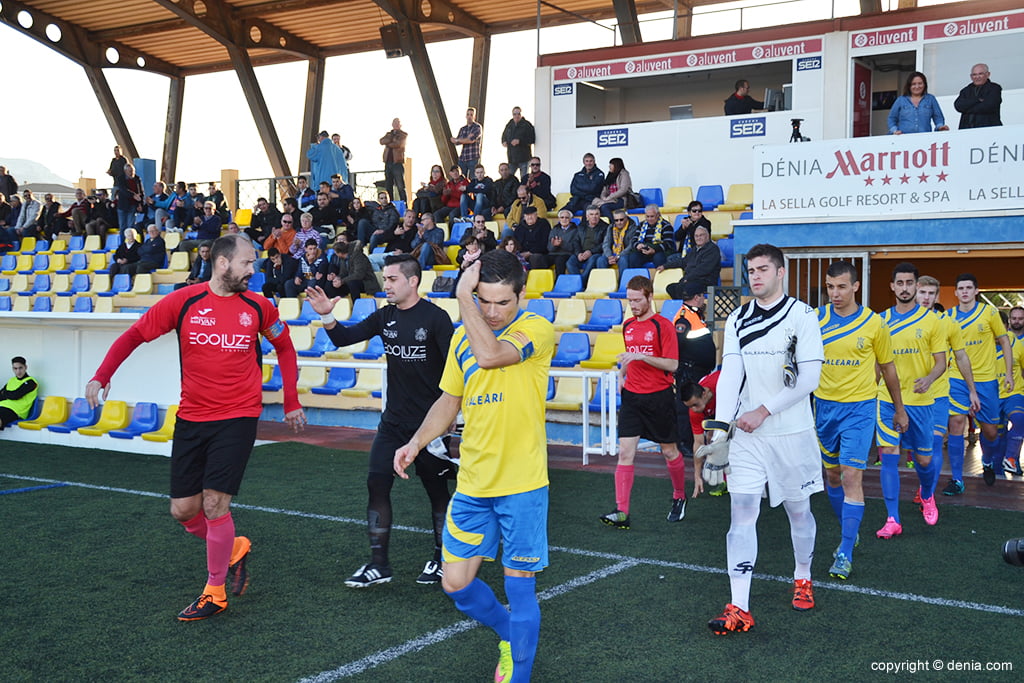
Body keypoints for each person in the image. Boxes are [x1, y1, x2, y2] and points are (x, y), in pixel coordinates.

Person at [86, 233, 306, 621]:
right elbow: (135, 334)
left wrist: (291, 401)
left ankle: (215, 591)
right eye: (246, 263)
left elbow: (285, 348)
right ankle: (233, 546)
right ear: (223, 263)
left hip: (237, 417)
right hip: (192, 417)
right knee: (184, 511)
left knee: (214, 503)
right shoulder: (184, 302)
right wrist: (101, 377)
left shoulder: (258, 307)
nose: (252, 271)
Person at [394, 249, 554, 682]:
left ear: (522, 295)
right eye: (484, 300)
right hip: (473, 484)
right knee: (456, 585)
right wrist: (416, 442)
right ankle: (510, 637)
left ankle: (518, 673)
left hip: (521, 484)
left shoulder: (536, 329)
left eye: (503, 301)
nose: (493, 310)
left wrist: (463, 297)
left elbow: (492, 356)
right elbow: (449, 399)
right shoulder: (464, 339)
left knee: (519, 589)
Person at [308, 253, 455, 586]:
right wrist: (328, 318)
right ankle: (379, 565)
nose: (385, 285)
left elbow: (453, 371)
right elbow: (345, 338)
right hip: (393, 424)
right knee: (376, 483)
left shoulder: (436, 318)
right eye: (385, 279)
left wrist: (451, 417)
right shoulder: (384, 316)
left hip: (429, 425)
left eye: (391, 279)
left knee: (436, 492)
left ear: (412, 281)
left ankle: (443, 558)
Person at [705, 243, 823, 634]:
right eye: (750, 270)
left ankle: (803, 576)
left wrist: (763, 410)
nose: (754, 276)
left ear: (780, 272)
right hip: (748, 438)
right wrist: (721, 431)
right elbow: (730, 376)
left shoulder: (803, 316)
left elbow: (809, 380)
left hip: (791, 433)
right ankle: (739, 607)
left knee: (799, 511)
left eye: (762, 270)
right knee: (741, 513)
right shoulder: (738, 317)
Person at [815, 261, 906, 581]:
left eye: (841, 286)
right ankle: (848, 531)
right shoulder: (816, 319)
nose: (835, 293)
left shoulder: (874, 324)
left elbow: (889, 368)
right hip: (824, 408)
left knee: (852, 475)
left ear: (855, 287)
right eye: (830, 287)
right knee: (833, 475)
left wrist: (899, 408)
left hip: (860, 409)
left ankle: (845, 549)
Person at [600, 275, 688, 529]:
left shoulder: (663, 326)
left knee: (669, 451)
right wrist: (621, 374)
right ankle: (622, 512)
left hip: (659, 397)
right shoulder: (628, 326)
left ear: (650, 297)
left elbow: (672, 364)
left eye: (638, 300)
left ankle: (679, 496)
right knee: (626, 453)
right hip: (632, 397)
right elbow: (629, 358)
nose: (633, 305)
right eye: (630, 301)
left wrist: (641, 356)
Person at [874, 263, 946, 542]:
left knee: (924, 460)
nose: (905, 288)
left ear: (917, 286)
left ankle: (927, 495)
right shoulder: (880, 322)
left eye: (909, 283)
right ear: (892, 286)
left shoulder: (933, 322)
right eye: (900, 283)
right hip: (889, 399)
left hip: (921, 400)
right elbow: (878, 363)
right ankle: (892, 518)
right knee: (889, 455)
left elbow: (941, 362)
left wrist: (929, 379)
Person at [943, 273, 1013, 492]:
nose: (964, 292)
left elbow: (1004, 341)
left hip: (986, 380)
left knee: (991, 431)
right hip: (957, 378)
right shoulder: (948, 316)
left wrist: (1009, 373)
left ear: (976, 291)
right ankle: (957, 479)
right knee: (956, 423)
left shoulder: (990, 313)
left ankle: (987, 460)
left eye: (968, 288)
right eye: (960, 288)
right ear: (955, 292)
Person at [915, 275, 979, 497]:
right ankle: (924, 483)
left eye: (931, 293)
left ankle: (933, 490)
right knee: (917, 445)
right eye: (922, 292)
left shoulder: (948, 323)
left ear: (937, 296)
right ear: (915, 291)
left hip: (941, 390)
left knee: (939, 437)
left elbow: (961, 357)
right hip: (911, 393)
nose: (926, 297)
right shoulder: (900, 320)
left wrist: (972, 390)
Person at [672, 281, 717, 458]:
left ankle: (689, 442)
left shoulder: (694, 314)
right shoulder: (684, 317)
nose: (704, 299)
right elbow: (678, 343)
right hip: (689, 371)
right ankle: (684, 443)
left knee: (693, 406)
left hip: (697, 371)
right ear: (696, 297)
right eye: (702, 296)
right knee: (685, 408)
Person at [999, 307, 1024, 475]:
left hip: (1016, 391)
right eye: (1014, 318)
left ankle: (1012, 459)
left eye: (1020, 318)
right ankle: (993, 463)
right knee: (995, 433)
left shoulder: (1019, 344)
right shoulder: (985, 344)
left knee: (1019, 421)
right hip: (992, 394)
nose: (1017, 321)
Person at [668, 225, 722, 295]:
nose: (698, 238)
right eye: (696, 236)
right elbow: (683, 261)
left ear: (707, 236)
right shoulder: (694, 249)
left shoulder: (713, 249)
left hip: (705, 282)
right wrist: (665, 266)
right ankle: (684, 304)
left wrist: (687, 278)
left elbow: (703, 269)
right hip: (691, 280)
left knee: (684, 288)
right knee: (671, 288)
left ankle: (690, 304)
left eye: (701, 235)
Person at [566, 206, 608, 285]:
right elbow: (576, 241)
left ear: (600, 215)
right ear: (587, 216)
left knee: (592, 260)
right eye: (591, 214)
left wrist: (590, 252)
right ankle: (579, 282)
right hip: (581, 252)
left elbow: (605, 243)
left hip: (596, 253)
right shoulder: (581, 227)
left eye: (596, 214)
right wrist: (578, 253)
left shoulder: (605, 227)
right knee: (570, 262)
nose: (594, 217)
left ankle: (580, 283)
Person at [625, 204, 674, 269]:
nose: (649, 219)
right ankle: (637, 278)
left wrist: (653, 250)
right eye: (647, 216)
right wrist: (638, 245)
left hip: (659, 251)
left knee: (659, 258)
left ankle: (660, 278)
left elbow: (668, 243)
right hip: (643, 251)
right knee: (633, 257)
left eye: (652, 216)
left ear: (658, 215)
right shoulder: (641, 224)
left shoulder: (666, 225)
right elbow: (634, 240)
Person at [954, 63, 1002, 129]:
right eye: (974, 74)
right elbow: (958, 106)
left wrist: (966, 109)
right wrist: (977, 100)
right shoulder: (965, 90)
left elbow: (989, 105)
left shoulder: (994, 88)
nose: (977, 77)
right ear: (971, 76)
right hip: (966, 130)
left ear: (988, 74)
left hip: (989, 129)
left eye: (980, 74)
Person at [0, 356, 38, 430]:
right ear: (12, 369)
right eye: (15, 368)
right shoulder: (11, 380)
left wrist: (5, 393)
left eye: (20, 368)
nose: (18, 371)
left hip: (16, 411)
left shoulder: (31, 382)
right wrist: (7, 394)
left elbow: (15, 395)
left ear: (25, 367)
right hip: (3, 406)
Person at [501, 106, 536, 180]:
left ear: (521, 114)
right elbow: (504, 136)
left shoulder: (527, 125)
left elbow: (532, 139)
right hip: (512, 158)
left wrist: (520, 141)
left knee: (524, 179)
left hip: (524, 158)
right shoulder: (509, 125)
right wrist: (504, 141)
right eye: (514, 114)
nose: (516, 116)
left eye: (518, 114)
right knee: (508, 179)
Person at [379, 118, 408, 202]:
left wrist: (388, 143)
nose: (395, 124)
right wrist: (391, 140)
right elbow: (381, 141)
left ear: (400, 125)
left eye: (397, 123)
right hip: (388, 162)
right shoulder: (389, 134)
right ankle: (390, 203)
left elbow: (398, 144)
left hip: (397, 163)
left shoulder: (403, 134)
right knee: (388, 185)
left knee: (400, 186)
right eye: (394, 123)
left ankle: (404, 204)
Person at [513, 206, 550, 271]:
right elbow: (516, 243)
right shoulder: (519, 227)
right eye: (527, 215)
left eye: (532, 215)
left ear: (536, 215)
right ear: (524, 217)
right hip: (522, 253)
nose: (529, 217)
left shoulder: (544, 224)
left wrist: (529, 253)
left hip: (540, 253)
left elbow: (545, 243)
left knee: (535, 258)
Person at [451, 107, 483, 178]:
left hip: (473, 157)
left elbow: (471, 140)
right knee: (461, 179)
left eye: (471, 115)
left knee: (473, 179)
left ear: (474, 116)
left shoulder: (477, 127)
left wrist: (460, 140)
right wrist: (461, 140)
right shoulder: (463, 129)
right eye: (468, 114)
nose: (469, 116)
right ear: (466, 116)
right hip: (463, 158)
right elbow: (457, 142)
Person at [115, 165, 144, 235]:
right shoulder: (120, 179)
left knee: (130, 226)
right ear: (125, 171)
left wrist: (140, 204)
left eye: (132, 171)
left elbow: (141, 192)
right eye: (129, 171)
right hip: (123, 206)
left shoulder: (137, 179)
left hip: (133, 205)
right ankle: (122, 244)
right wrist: (133, 195)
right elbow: (123, 190)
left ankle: (130, 243)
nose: (131, 173)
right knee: (122, 227)